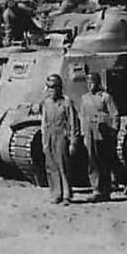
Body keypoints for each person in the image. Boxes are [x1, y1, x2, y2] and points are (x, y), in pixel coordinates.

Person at [39, 73, 80, 205]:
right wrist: (44, 142)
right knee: (51, 166)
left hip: (62, 135)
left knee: (63, 166)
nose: (51, 90)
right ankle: (56, 193)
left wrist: (73, 142)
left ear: (59, 88)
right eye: (49, 87)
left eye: (54, 87)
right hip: (49, 136)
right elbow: (44, 123)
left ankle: (67, 194)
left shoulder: (67, 103)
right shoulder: (46, 103)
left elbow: (73, 123)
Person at [79, 72, 118, 202]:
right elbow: (82, 116)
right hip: (90, 132)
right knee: (92, 162)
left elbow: (114, 114)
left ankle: (105, 190)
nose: (90, 86)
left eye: (93, 83)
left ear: (98, 83)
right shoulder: (84, 98)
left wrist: (113, 131)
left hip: (103, 133)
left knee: (104, 162)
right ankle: (95, 188)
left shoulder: (105, 97)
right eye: (88, 83)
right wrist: (84, 134)